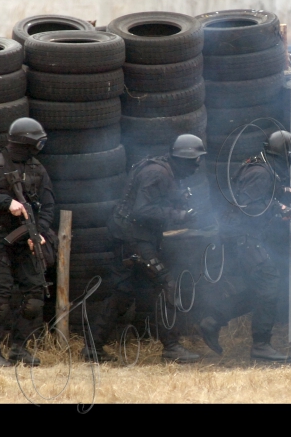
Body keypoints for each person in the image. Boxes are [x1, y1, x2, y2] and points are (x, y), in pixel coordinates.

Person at [81, 134, 207, 363]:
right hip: (133, 239)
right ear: (183, 159)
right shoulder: (157, 173)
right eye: (194, 161)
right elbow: (142, 211)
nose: (197, 166)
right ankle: (171, 347)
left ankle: (92, 347)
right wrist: (179, 215)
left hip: (133, 237)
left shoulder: (165, 171)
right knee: (165, 284)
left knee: (123, 293)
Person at [198, 130, 291, 362]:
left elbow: (258, 195)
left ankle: (213, 321)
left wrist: (283, 193)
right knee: (270, 283)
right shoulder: (261, 173)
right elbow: (248, 205)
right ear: (286, 155)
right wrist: (278, 208)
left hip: (242, 236)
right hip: (244, 237)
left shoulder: (260, 166)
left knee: (259, 288)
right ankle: (261, 345)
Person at [0, 118, 56, 367]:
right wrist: (7, 203)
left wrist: (40, 233)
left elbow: (48, 206)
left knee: (36, 292)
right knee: (2, 295)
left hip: (26, 241)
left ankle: (19, 348)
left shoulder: (37, 169)